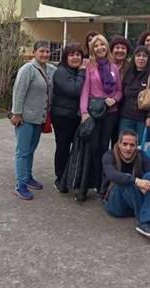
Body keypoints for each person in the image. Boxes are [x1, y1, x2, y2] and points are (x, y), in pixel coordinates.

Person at [101, 130, 150, 241]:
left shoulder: (140, 155)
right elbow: (111, 174)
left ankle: (147, 222)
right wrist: (137, 181)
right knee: (126, 179)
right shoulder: (109, 155)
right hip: (114, 204)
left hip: (133, 203)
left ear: (136, 146)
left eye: (132, 145)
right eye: (125, 144)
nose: (128, 148)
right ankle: (148, 222)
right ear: (119, 144)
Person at [10, 41, 56, 200]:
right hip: (25, 118)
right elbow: (18, 91)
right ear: (34, 52)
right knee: (22, 152)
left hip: (39, 118)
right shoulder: (28, 69)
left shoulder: (50, 69)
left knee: (31, 150)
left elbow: (64, 72)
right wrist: (16, 113)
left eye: (47, 52)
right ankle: (20, 184)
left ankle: (28, 177)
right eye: (41, 51)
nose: (44, 54)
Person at [80, 34, 122, 192]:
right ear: (92, 49)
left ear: (107, 47)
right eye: (96, 46)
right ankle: (93, 180)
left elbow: (119, 90)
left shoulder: (114, 68)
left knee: (105, 147)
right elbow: (85, 90)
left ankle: (103, 183)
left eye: (102, 45)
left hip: (111, 112)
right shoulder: (89, 67)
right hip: (95, 112)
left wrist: (115, 99)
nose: (100, 48)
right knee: (94, 147)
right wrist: (84, 112)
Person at [51, 43, 85, 192]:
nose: (75, 57)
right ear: (66, 57)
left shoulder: (76, 71)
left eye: (78, 54)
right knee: (63, 147)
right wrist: (83, 73)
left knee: (76, 148)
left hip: (76, 116)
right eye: (72, 55)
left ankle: (72, 176)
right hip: (62, 117)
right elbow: (75, 90)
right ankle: (60, 178)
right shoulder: (61, 72)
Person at [120, 46, 150, 139]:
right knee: (125, 147)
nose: (141, 58)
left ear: (148, 58)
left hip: (144, 119)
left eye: (144, 56)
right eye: (138, 55)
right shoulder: (129, 72)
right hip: (126, 117)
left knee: (142, 149)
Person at [109, 35, 132, 146]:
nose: (120, 50)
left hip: (124, 111)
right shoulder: (105, 65)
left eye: (123, 48)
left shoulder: (131, 67)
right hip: (106, 109)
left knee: (118, 140)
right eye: (117, 47)